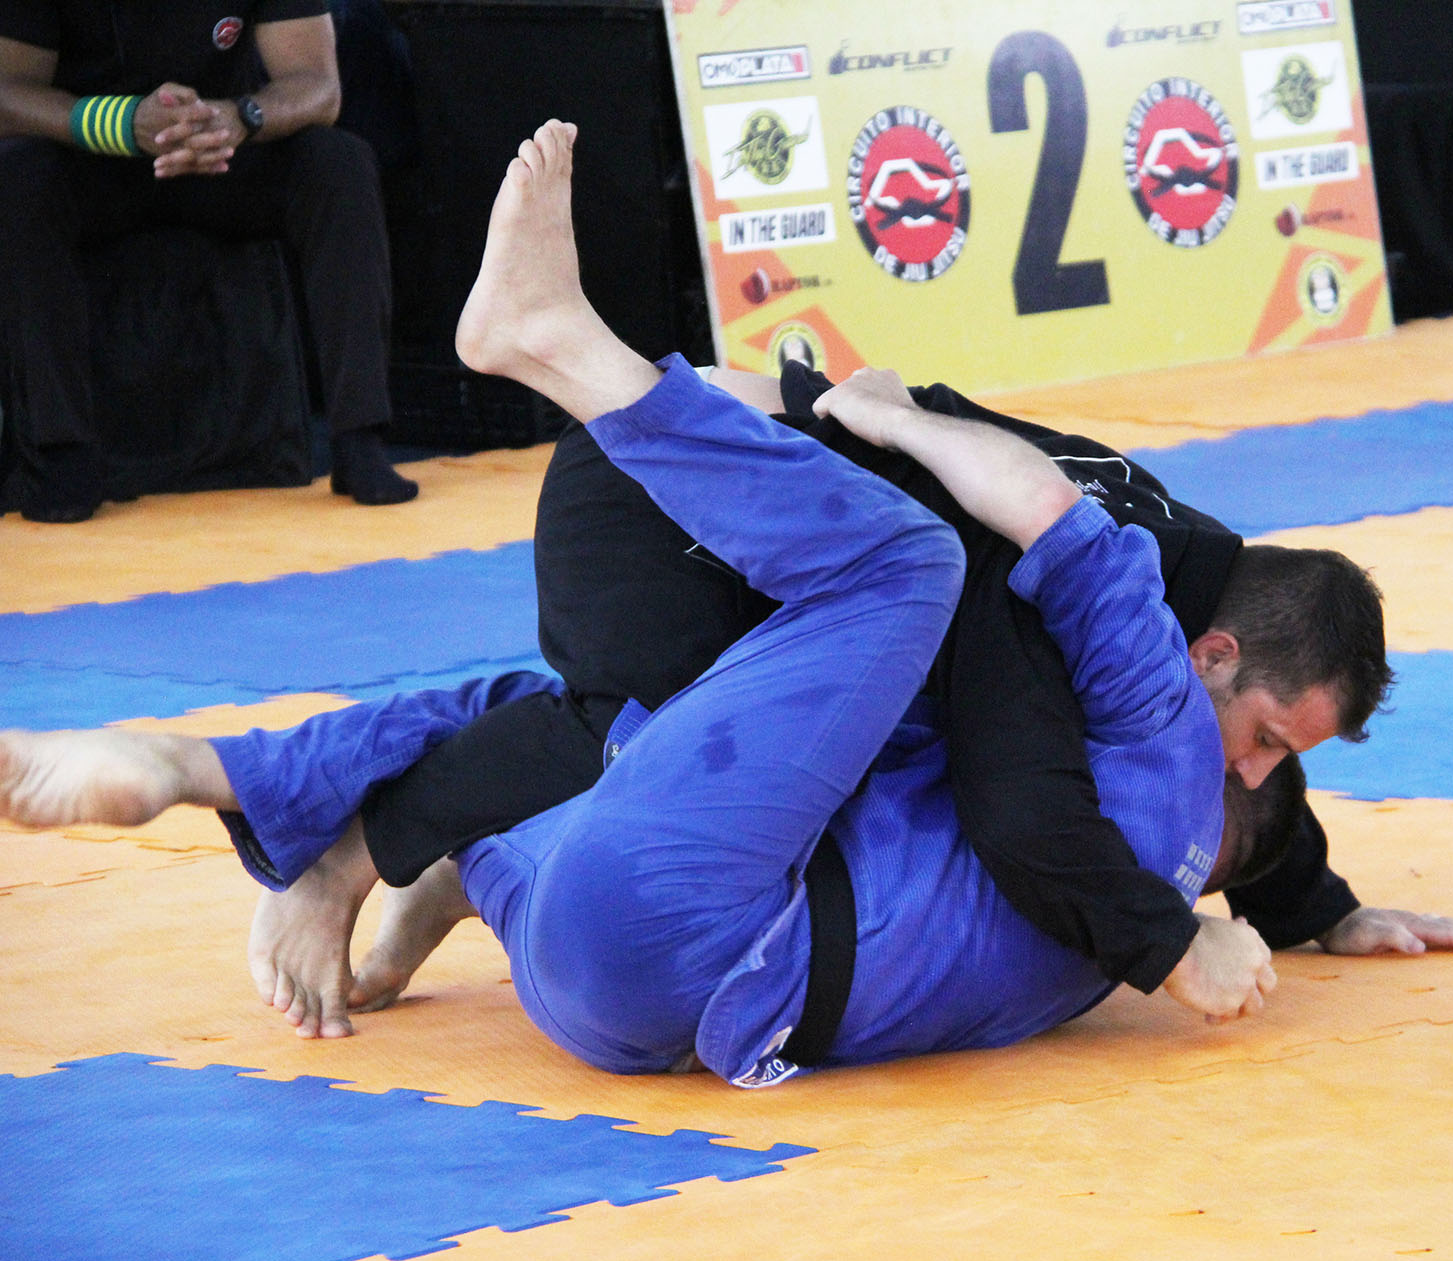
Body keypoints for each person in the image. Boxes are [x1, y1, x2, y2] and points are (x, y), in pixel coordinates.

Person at [0, 119, 1263, 1084]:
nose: (1251, 759)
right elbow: (1072, 775)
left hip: (670, 919)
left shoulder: (1153, 771)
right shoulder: (1129, 804)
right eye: (1263, 741)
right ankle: (338, 836)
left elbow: (1092, 694)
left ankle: (262, 782)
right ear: (1217, 658)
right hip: (613, 1006)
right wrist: (1215, 936)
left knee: (865, 589)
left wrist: (1230, 926)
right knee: (634, 703)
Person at [0, 0, 417, 521]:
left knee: (340, 162)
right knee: (19, 176)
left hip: (218, 149)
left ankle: (359, 438)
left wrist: (239, 117)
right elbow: (8, 94)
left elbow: (318, 87)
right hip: (95, 153)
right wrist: (121, 123)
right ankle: (63, 452)